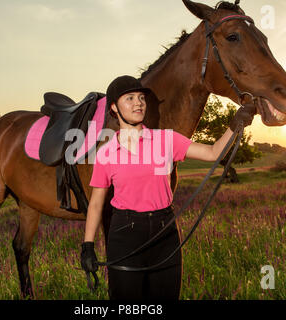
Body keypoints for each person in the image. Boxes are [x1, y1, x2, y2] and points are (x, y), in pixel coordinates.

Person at [81, 75, 256, 300]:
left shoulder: (167, 140)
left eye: (141, 97)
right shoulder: (106, 152)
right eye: (130, 98)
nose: (138, 103)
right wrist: (87, 246)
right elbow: (96, 204)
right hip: (124, 235)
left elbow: (213, 154)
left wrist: (235, 125)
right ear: (114, 107)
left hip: (165, 233)